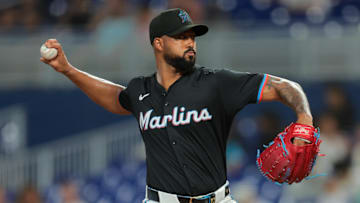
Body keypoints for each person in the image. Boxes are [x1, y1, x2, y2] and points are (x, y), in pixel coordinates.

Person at [40, 8, 312, 203]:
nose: (190, 42)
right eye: (181, 37)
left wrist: (304, 117)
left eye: (192, 37)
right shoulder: (140, 91)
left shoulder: (217, 83)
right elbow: (116, 99)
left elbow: (284, 86)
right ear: (158, 43)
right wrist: (68, 70)